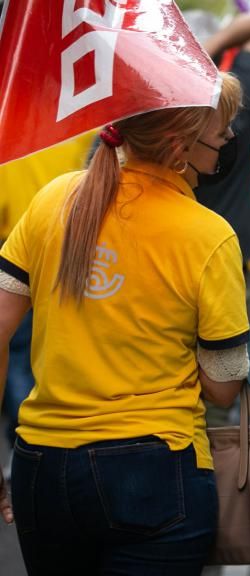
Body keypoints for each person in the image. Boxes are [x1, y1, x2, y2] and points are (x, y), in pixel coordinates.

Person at [0, 72, 248, 573]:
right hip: (157, 469)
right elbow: (223, 388)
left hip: (42, 465)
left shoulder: (51, 201)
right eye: (221, 137)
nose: (226, 148)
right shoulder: (209, 236)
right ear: (180, 147)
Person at [194, 7, 250, 424]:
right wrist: (207, 49)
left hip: (178, 260)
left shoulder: (147, 122)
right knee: (249, 344)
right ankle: (245, 433)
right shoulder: (235, 114)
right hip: (237, 255)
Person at [0, 134, 94, 477]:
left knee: (18, 349)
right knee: (61, 338)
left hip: (14, 241)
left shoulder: (9, 127)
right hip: (70, 239)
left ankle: (25, 443)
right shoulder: (79, 128)